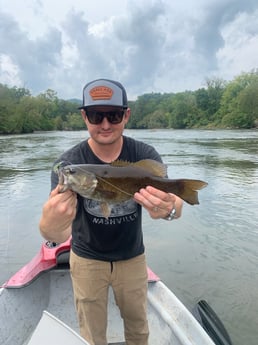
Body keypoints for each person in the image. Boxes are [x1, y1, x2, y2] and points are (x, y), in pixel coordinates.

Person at [39, 78, 183, 345]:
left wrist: (170, 207)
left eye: (114, 115)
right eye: (96, 115)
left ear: (126, 115)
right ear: (84, 117)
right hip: (86, 260)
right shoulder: (68, 165)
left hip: (132, 258)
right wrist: (49, 222)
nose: (105, 124)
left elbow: (173, 200)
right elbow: (55, 235)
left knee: (139, 330)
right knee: (92, 335)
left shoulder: (144, 153)